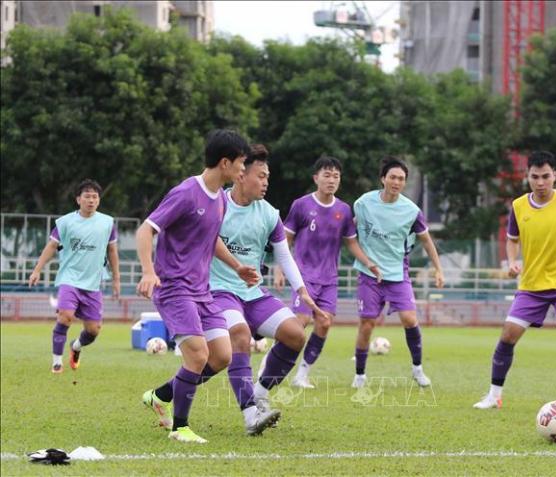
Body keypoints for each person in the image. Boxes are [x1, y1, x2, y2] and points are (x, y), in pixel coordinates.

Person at [137, 129, 259, 444]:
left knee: (221, 356)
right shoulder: (186, 192)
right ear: (224, 162)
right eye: (241, 163)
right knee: (197, 354)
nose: (243, 170)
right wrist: (149, 272)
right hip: (175, 288)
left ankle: (160, 395)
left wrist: (237, 267)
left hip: (201, 291)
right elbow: (145, 230)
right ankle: (180, 428)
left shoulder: (219, 198)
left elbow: (211, 237)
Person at [209, 144, 328, 434]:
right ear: (241, 176)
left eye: (267, 177)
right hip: (218, 290)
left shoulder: (270, 213)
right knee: (239, 336)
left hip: (253, 293)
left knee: (295, 335)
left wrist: (301, 290)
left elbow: (283, 254)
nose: (265, 182)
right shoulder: (217, 206)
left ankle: (259, 394)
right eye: (260, 176)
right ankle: (250, 416)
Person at [473, 151, 556, 415]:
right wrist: (512, 261)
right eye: (534, 177)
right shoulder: (518, 206)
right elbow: (512, 239)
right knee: (508, 335)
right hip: (531, 287)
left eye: (546, 176)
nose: (540, 183)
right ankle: (494, 396)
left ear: (555, 176)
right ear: (527, 176)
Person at [273, 156, 381, 389]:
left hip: (329, 279)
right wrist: (279, 269)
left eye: (336, 176)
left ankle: (302, 374)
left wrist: (369, 262)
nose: (331, 180)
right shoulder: (301, 205)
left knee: (323, 323)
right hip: (303, 276)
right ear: (316, 178)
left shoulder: (343, 209)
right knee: (299, 322)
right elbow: (285, 239)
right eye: (327, 175)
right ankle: (270, 364)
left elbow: (351, 243)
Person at [351, 156, 444, 389]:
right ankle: (360, 374)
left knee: (410, 319)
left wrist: (438, 269)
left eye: (401, 179)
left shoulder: (411, 211)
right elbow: (351, 230)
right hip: (368, 274)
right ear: (383, 179)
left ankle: (417, 370)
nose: (396, 182)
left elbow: (426, 240)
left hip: (397, 274)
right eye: (392, 177)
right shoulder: (363, 203)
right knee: (367, 324)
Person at [29, 179, 120, 374]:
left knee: (93, 331)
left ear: (99, 200)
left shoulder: (107, 223)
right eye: (87, 196)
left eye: (95, 197)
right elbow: (51, 246)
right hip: (69, 279)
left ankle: (76, 346)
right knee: (65, 316)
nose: (91, 200)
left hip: (93, 283)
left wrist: (116, 280)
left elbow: (112, 251)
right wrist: (37, 270)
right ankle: (56, 362)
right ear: (78, 199)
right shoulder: (65, 222)